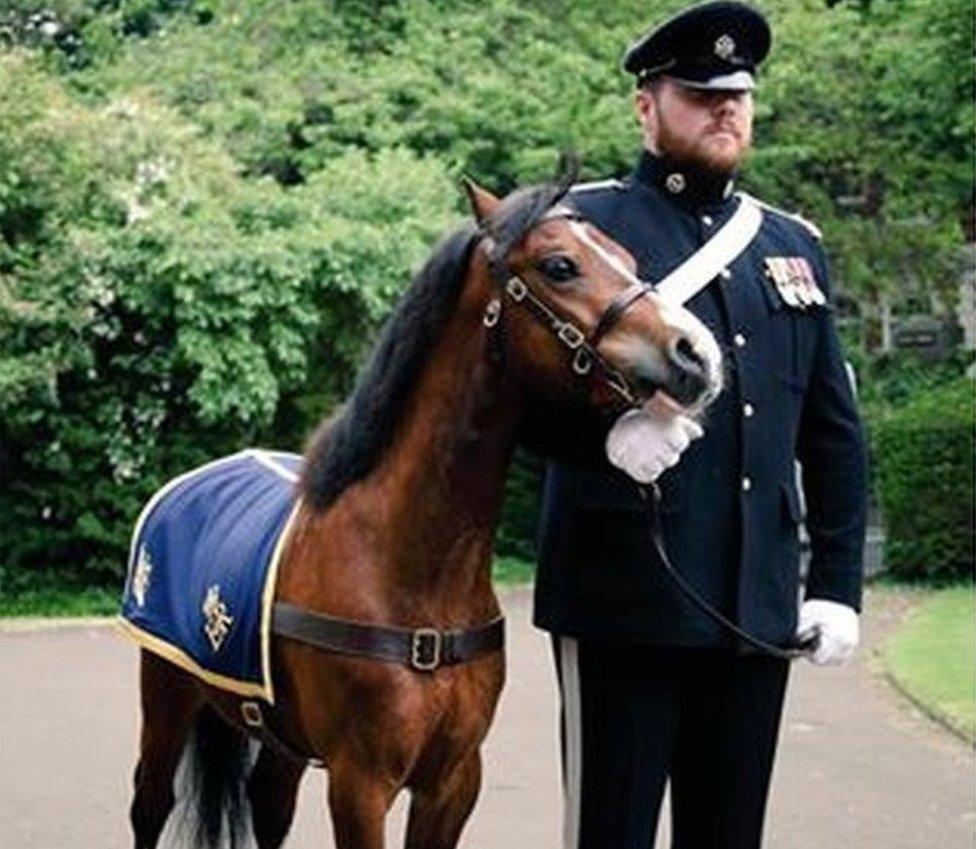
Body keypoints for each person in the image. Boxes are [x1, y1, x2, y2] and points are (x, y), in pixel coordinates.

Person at [531, 3, 868, 848]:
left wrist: (833, 581)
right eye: (699, 92)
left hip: (753, 609)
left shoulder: (790, 244)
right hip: (623, 599)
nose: (726, 108)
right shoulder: (583, 230)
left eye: (739, 94)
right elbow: (505, 400)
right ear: (647, 106)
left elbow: (831, 431)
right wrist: (601, 440)